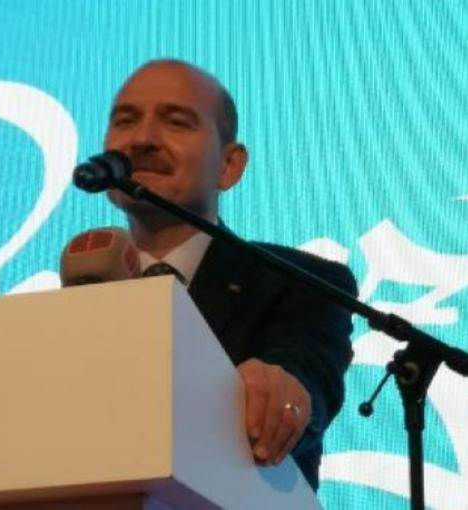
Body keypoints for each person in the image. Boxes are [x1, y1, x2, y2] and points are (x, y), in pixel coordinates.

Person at [103, 59, 356, 490]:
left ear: (229, 165)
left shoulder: (301, 282)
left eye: (176, 122)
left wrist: (283, 391)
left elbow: (306, 376)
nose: (142, 139)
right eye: (125, 121)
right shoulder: (68, 301)